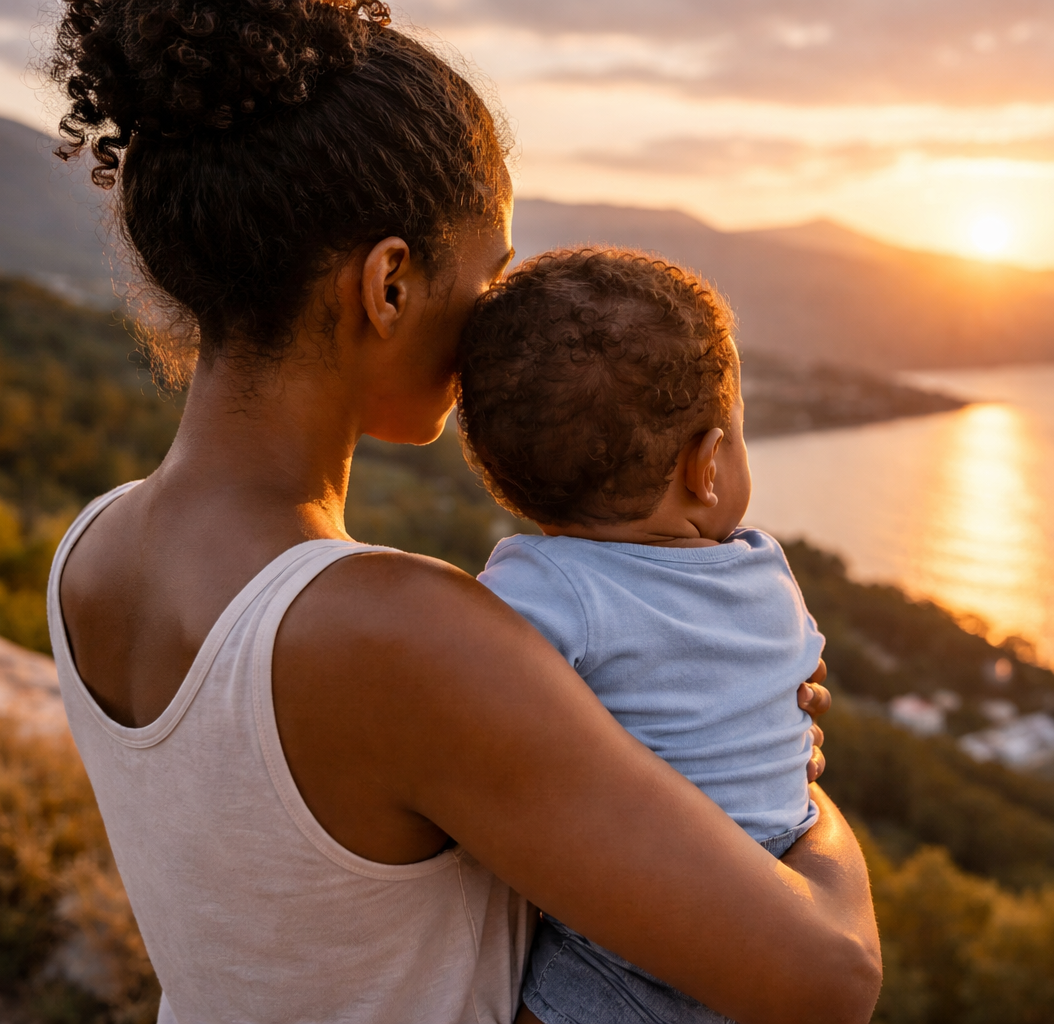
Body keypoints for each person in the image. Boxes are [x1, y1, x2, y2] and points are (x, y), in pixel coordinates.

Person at [43, 2, 881, 1023]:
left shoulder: (88, 550)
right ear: (390, 284)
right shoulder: (399, 633)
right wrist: (792, 785)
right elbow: (831, 978)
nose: (500, 319)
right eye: (491, 277)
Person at [459, 248, 830, 1024]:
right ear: (707, 469)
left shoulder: (546, 587)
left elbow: (461, 675)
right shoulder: (765, 569)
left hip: (623, 963)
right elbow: (799, 694)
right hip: (782, 891)